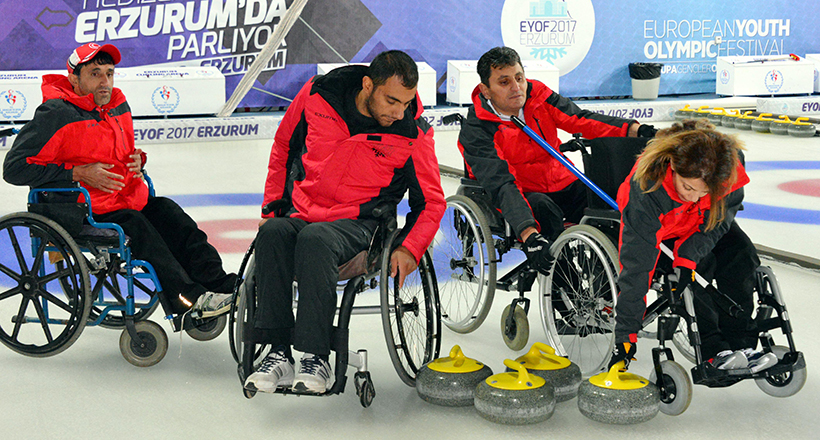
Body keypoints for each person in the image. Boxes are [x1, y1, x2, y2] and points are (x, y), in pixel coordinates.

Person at [244, 50, 446, 394]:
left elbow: (430, 202)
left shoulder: (413, 133)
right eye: (391, 101)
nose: (398, 113)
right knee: (274, 233)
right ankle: (277, 353)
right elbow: (283, 148)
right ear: (368, 84)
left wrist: (410, 249)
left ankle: (316, 356)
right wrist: (270, 211)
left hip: (361, 226)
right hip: (302, 212)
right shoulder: (317, 95)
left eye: (406, 103)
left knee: (316, 239)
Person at [3, 42, 236, 326]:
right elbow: (14, 169)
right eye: (96, 74)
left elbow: (120, 152)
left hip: (124, 199)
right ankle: (188, 301)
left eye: (110, 73)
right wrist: (76, 173)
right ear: (74, 78)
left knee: (171, 214)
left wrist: (139, 160)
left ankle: (222, 287)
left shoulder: (116, 104)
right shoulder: (55, 114)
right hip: (82, 210)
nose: (105, 82)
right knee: (139, 228)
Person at [458, 46, 656, 273]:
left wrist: (633, 130)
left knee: (605, 205)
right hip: (521, 193)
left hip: (560, 178)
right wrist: (528, 233)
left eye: (519, 78)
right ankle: (565, 298)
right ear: (486, 90)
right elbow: (501, 183)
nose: (516, 88)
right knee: (546, 212)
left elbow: (580, 120)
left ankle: (605, 285)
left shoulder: (539, 95)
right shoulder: (477, 130)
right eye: (504, 82)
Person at [608, 119, 777, 373]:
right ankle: (713, 349)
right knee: (700, 270)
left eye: (703, 191)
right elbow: (637, 268)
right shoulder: (646, 189)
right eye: (687, 187)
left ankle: (741, 344)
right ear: (674, 167)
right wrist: (625, 337)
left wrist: (690, 253)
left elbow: (723, 217)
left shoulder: (729, 167)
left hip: (705, 221)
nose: (693, 196)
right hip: (664, 231)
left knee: (741, 254)